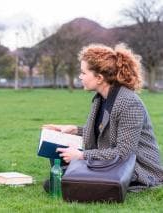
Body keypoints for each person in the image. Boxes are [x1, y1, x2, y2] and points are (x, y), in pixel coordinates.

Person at [43, 43, 163, 191]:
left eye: (83, 73)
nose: (80, 77)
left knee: (57, 184)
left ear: (99, 78)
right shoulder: (100, 98)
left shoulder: (129, 103)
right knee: (58, 176)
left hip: (136, 169)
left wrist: (82, 155)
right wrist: (74, 130)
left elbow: (123, 153)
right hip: (113, 163)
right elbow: (102, 130)